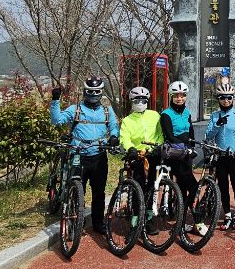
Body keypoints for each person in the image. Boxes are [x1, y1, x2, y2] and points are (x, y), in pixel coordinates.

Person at [50, 76, 119, 233]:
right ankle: (76, 220)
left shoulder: (107, 110)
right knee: (76, 189)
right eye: (90, 91)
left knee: (99, 192)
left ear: (101, 92)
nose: (93, 95)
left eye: (97, 91)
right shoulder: (75, 109)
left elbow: (114, 126)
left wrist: (114, 136)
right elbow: (56, 120)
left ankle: (98, 223)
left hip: (99, 156)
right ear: (85, 91)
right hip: (78, 155)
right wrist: (55, 100)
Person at [159, 81, 203, 235]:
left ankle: (182, 221)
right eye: (176, 96)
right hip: (174, 154)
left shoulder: (187, 113)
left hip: (186, 154)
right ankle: (196, 220)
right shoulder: (166, 114)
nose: (179, 98)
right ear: (171, 96)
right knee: (193, 185)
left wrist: (192, 147)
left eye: (182, 95)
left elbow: (190, 133)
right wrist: (185, 149)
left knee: (184, 187)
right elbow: (170, 136)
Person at [118, 86, 164, 234]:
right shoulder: (127, 121)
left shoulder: (155, 115)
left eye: (143, 100)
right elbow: (124, 137)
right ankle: (135, 219)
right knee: (138, 187)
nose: (140, 103)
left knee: (151, 187)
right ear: (132, 102)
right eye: (137, 101)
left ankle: (148, 219)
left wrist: (156, 147)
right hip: (136, 156)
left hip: (152, 155)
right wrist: (130, 148)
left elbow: (160, 134)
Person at [205, 81, 235, 231]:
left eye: (229, 97)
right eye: (223, 97)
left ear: (232, 99)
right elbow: (208, 136)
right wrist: (217, 124)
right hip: (221, 156)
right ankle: (227, 215)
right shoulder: (214, 116)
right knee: (223, 187)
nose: (226, 100)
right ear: (218, 99)